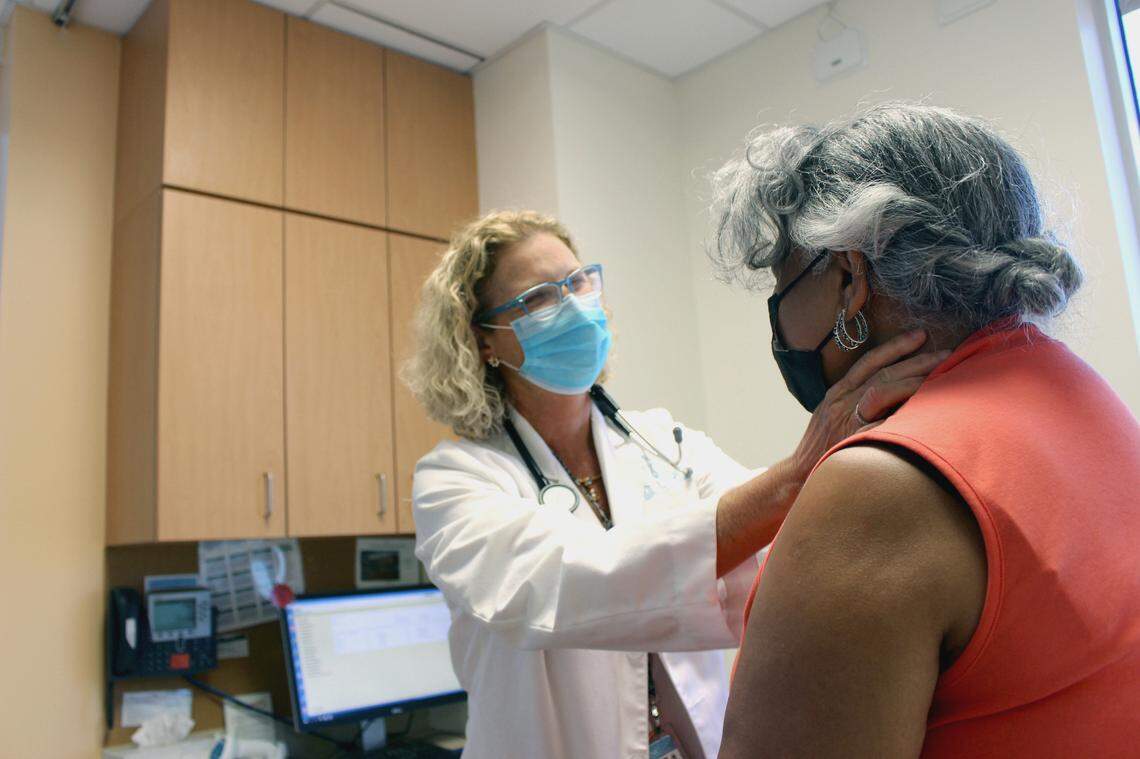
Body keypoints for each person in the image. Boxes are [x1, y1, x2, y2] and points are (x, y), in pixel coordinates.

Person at [403, 210, 942, 759]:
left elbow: (777, 551)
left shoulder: (665, 441)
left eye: (578, 281)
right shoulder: (454, 483)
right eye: (539, 298)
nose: (573, 305)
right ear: (484, 340)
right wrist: (797, 473)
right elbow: (559, 583)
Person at [712, 103, 1140, 758]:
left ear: (850, 279)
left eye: (783, 285)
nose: (779, 324)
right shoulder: (1084, 395)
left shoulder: (879, 487)